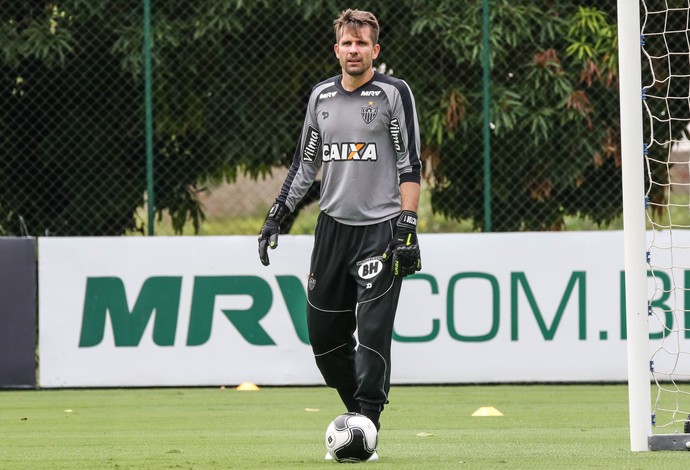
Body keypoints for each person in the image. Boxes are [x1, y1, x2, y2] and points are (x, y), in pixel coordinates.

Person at [258, 8, 422, 454]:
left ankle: (368, 419)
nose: (354, 50)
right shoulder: (321, 97)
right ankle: (362, 421)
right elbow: (304, 164)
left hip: (381, 229)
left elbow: (410, 164)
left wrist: (407, 223)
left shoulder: (393, 93)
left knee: (371, 334)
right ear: (337, 49)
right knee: (325, 340)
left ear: (375, 50)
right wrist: (277, 214)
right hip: (331, 230)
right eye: (347, 43)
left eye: (362, 43)